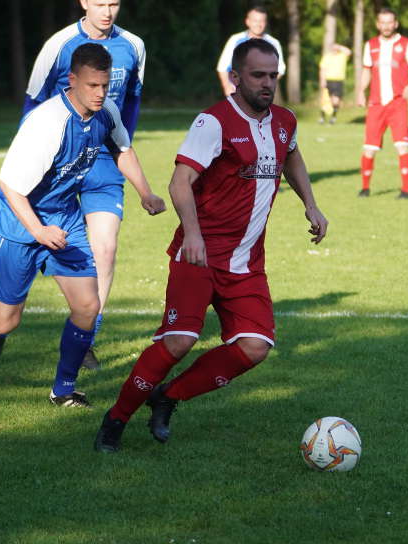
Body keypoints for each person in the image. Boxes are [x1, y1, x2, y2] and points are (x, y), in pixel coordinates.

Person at [94, 39, 328, 453]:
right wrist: (194, 234)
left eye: (273, 75)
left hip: (246, 261)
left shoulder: (284, 121)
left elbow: (291, 155)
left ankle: (167, 397)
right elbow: (179, 182)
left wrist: (311, 204)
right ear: (236, 78)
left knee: (255, 347)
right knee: (179, 340)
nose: (267, 84)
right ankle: (115, 420)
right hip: (198, 253)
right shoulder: (214, 122)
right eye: (258, 75)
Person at [0, 44, 166, 408]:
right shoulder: (47, 123)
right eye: (92, 86)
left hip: (64, 219)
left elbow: (123, 149)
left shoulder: (107, 111)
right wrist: (38, 232)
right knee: (3, 321)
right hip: (18, 226)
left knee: (88, 305)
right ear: (72, 81)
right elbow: (10, 186)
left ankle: (63, 390)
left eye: (104, 85)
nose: (100, 93)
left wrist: (145, 192)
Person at [0, 0, 150, 370]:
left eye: (114, 3)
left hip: (103, 157)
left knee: (105, 249)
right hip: (58, 155)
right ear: (84, 2)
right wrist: (28, 158)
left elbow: (132, 101)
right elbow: (33, 101)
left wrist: (121, 146)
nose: (107, 10)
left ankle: (86, 339)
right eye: (99, 2)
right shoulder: (58, 44)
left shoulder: (134, 46)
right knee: (30, 239)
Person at [356, 8, 408, 200]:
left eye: (389, 22)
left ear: (396, 24)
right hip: (376, 104)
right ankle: (365, 188)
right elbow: (367, 71)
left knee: (402, 146)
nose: (386, 26)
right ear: (378, 24)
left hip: (398, 103)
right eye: (382, 22)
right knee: (369, 148)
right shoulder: (370, 45)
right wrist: (361, 91)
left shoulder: (407, 44)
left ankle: (406, 190)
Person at [216, 6, 286, 97]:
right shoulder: (235, 40)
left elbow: (280, 69)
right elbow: (222, 67)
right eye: (255, 21)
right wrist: (227, 87)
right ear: (247, 22)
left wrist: (264, 85)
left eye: (261, 21)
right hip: (236, 92)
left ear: (265, 23)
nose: (258, 24)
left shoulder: (274, 43)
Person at [318, 43, 351, 124]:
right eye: (333, 47)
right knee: (325, 100)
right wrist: (322, 80)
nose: (335, 49)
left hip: (338, 81)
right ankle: (322, 117)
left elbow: (349, 52)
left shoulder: (342, 56)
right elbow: (322, 69)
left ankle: (333, 117)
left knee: (335, 101)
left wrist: (340, 47)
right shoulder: (327, 56)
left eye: (336, 48)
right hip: (328, 80)